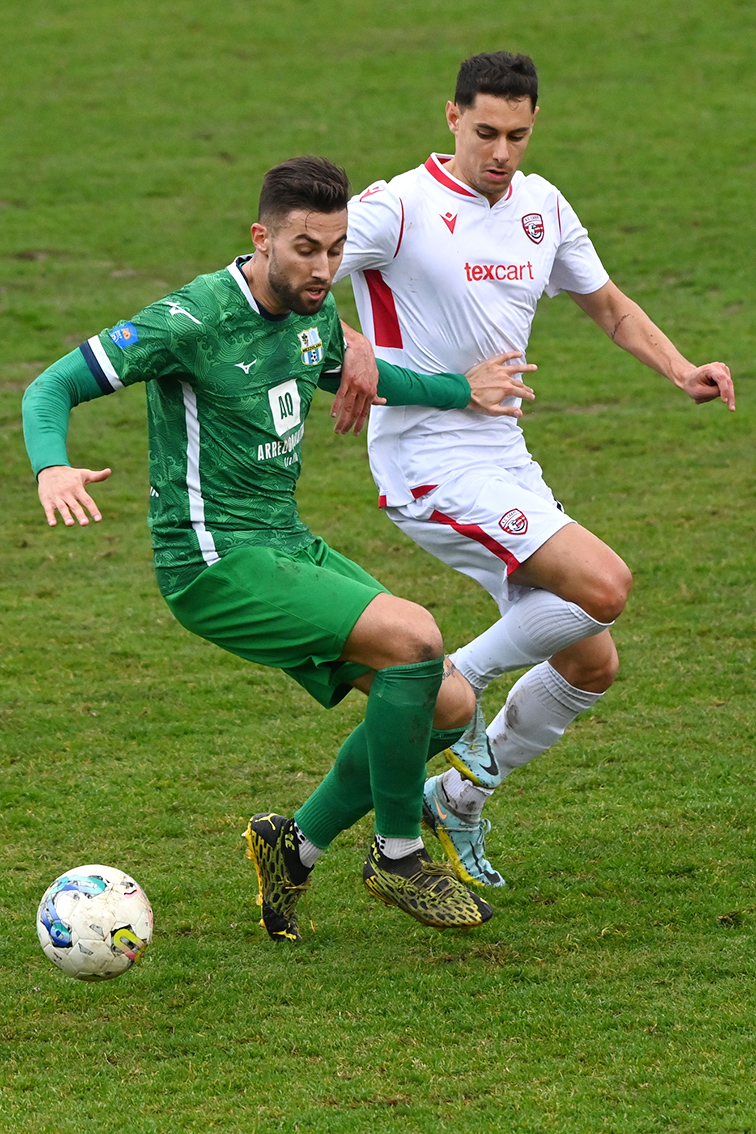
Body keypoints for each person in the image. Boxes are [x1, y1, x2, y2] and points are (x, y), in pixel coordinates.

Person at [22, 156, 535, 941]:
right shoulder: (192, 319)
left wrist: (461, 389)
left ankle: (294, 848)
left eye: (335, 250)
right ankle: (397, 856)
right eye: (305, 249)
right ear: (261, 239)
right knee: (416, 636)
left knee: (446, 704)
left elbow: (364, 375)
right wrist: (52, 464)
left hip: (285, 543)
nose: (324, 267)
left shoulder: (311, 310)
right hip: (213, 561)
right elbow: (50, 386)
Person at [335, 52, 735, 888]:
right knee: (605, 586)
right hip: (428, 462)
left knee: (591, 663)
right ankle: (459, 684)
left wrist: (681, 369)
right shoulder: (395, 208)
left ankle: (458, 801)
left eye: (518, 134)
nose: (502, 151)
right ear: (451, 118)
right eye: (486, 132)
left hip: (506, 457)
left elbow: (610, 305)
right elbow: (287, 273)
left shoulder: (542, 207)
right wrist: (351, 343)